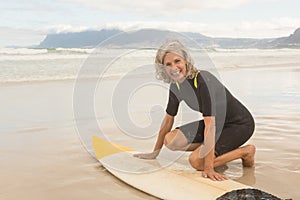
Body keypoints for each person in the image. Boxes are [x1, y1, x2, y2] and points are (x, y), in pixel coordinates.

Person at [134, 40, 256, 181]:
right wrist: (154, 153)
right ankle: (217, 152)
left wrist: (208, 168)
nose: (174, 67)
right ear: (163, 68)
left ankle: (245, 152)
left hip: (239, 125)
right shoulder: (176, 86)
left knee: (196, 162)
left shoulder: (203, 80)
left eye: (177, 61)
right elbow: (168, 120)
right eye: (168, 64)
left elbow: (210, 126)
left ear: (186, 60)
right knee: (171, 140)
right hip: (216, 124)